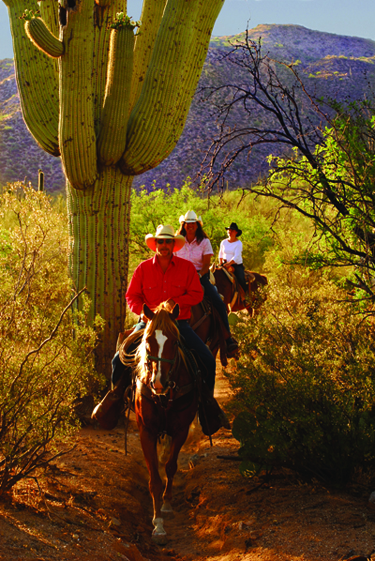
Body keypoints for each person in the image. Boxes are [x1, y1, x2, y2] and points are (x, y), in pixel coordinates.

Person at [111, 225, 229, 432]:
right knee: (118, 359)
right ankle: (114, 401)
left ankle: (206, 407)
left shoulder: (187, 268)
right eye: (160, 242)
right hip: (148, 324)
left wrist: (175, 302)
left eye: (167, 242)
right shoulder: (143, 269)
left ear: (173, 245)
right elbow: (131, 296)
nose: (164, 245)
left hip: (178, 324)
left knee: (208, 360)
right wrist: (145, 312)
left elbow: (196, 294)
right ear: (155, 244)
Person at [176, 210, 238, 353]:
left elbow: (205, 265)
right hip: (179, 278)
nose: (190, 226)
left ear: (197, 225)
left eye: (193, 223)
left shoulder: (204, 242)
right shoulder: (177, 241)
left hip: (200, 277)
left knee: (218, 303)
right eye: (188, 223)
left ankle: (227, 339)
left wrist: (198, 275)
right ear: (184, 225)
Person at [219, 222, 247, 293]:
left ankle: (245, 297)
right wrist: (220, 262)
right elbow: (221, 253)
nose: (230, 232)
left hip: (236, 266)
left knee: (241, 279)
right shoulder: (223, 242)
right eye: (229, 230)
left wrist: (229, 264)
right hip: (224, 264)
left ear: (236, 232)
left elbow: (236, 256)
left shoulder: (238, 243)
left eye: (232, 230)